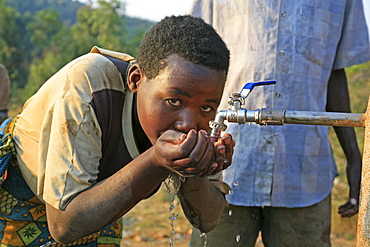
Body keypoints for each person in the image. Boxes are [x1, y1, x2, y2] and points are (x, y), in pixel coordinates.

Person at [0, 15, 234, 246]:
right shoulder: (88, 88)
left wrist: (196, 170)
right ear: (135, 79)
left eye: (206, 107)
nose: (188, 124)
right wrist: (155, 160)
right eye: (174, 101)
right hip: (18, 192)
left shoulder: (203, 127)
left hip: (97, 211)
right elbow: (64, 224)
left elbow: (209, 221)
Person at [189, 0, 370, 246]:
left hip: (304, 169)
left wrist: (354, 158)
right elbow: (194, 63)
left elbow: (334, 72)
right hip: (224, 166)